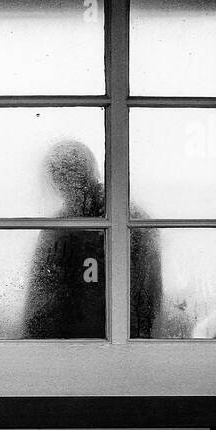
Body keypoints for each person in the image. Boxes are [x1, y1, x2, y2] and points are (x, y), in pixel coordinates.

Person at [22, 140, 163, 338]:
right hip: (116, 339)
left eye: (66, 176)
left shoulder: (58, 228)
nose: (65, 185)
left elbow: (39, 303)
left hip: (84, 342)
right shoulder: (132, 218)